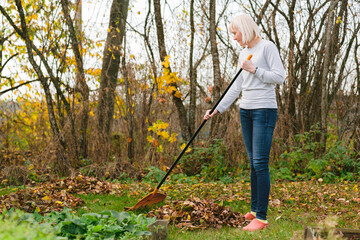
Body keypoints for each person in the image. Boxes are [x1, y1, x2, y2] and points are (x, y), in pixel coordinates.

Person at [204, 14, 285, 231]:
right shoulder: (243, 53)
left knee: (260, 162)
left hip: (264, 110)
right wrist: (217, 109)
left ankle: (262, 218)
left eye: (235, 33)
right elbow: (236, 86)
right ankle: (255, 209)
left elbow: (279, 76)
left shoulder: (267, 47)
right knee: (252, 162)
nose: (234, 37)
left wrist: (255, 70)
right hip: (246, 110)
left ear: (245, 29)